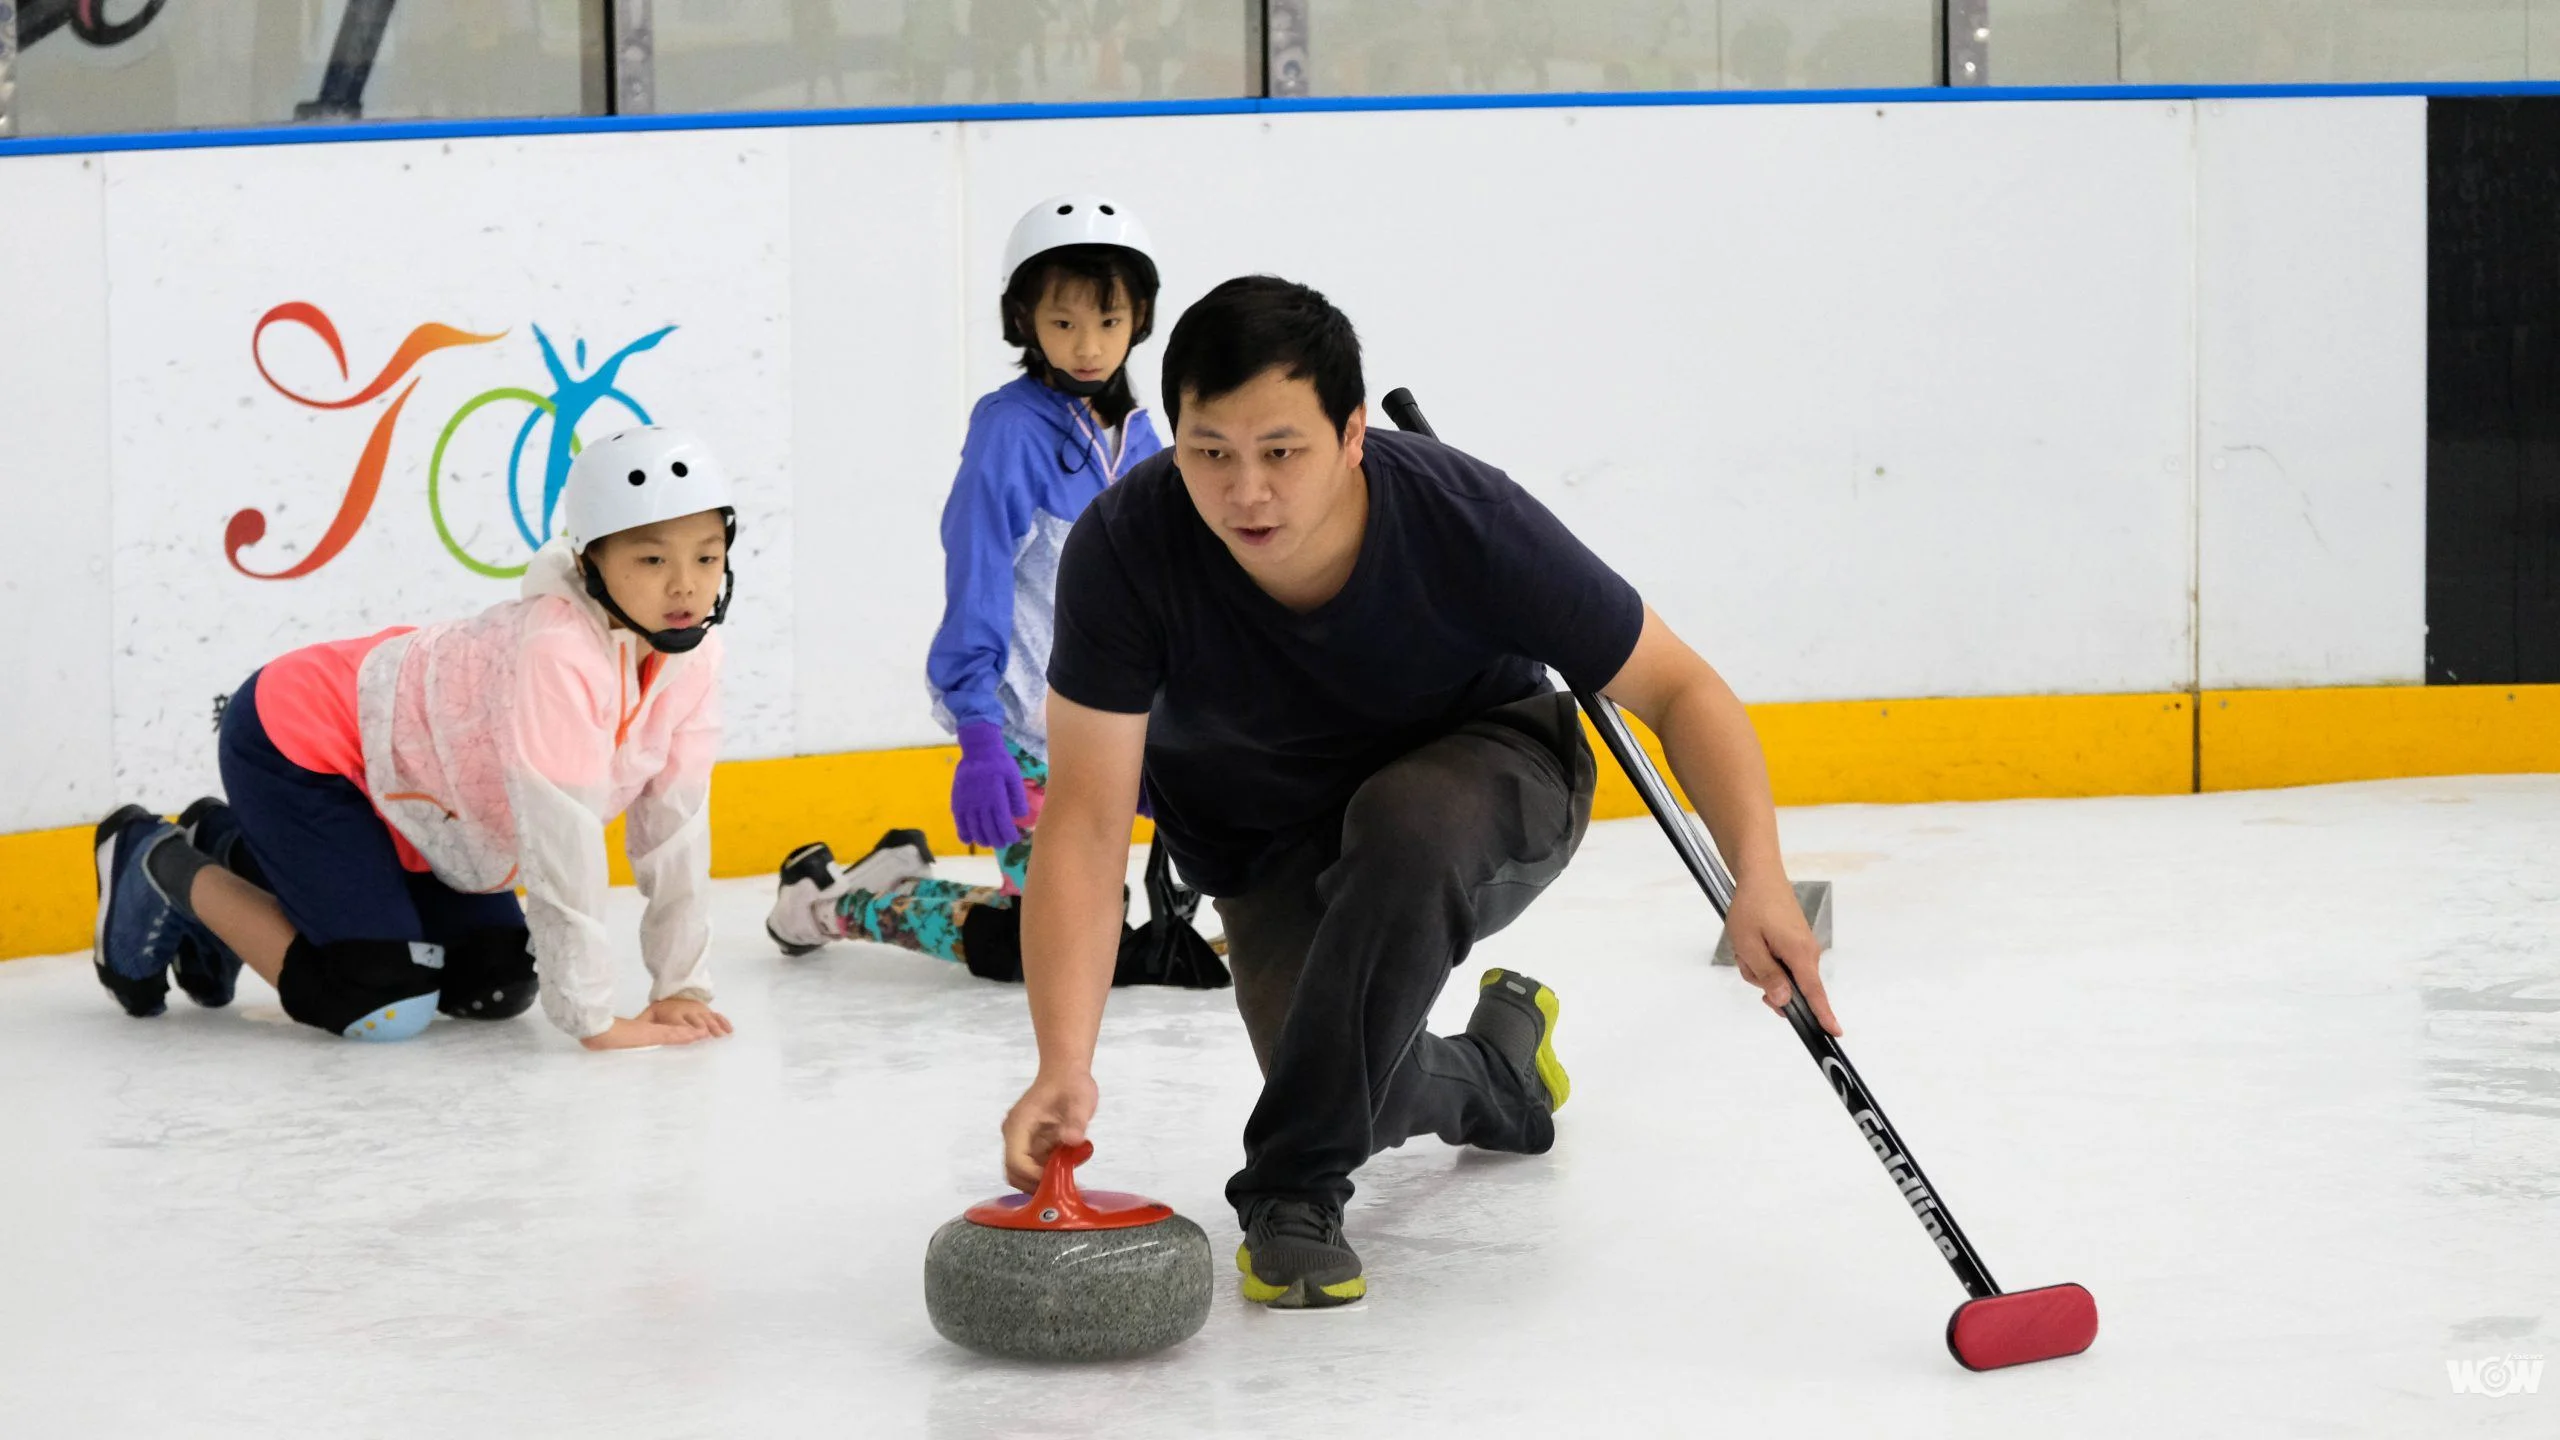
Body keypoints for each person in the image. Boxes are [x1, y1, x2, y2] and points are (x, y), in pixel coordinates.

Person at [996, 276, 1841, 1307]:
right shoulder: (1127, 552)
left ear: (1352, 434)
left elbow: (1679, 687)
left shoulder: (1463, 517)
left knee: (1403, 831)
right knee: (1363, 1082)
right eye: (1208, 452)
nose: (1245, 492)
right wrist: (1062, 1061)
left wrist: (1759, 875)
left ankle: (1291, 1192)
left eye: (1281, 452)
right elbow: (1084, 823)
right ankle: (1501, 1073)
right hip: (1263, 844)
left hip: (1483, 777)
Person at [89, 426, 739, 1051]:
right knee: (377, 1000)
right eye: (652, 558)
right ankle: (155, 861)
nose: (685, 584)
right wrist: (594, 1019)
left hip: (417, 799)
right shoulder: (558, 651)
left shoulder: (693, 656)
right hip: (303, 744)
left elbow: (674, 828)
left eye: (707, 556)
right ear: (588, 561)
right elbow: (560, 835)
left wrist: (682, 986)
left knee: (496, 984)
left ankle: (232, 845)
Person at [767, 194, 1176, 986]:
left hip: (1113, 726)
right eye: (1063, 322)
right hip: (1026, 731)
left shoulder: (1146, 437)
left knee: (1095, 930)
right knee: (1042, 944)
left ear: (1141, 318)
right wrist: (979, 733)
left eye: (1108, 320)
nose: (1088, 346)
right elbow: (977, 580)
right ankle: (838, 899)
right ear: (1023, 320)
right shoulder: (1010, 432)